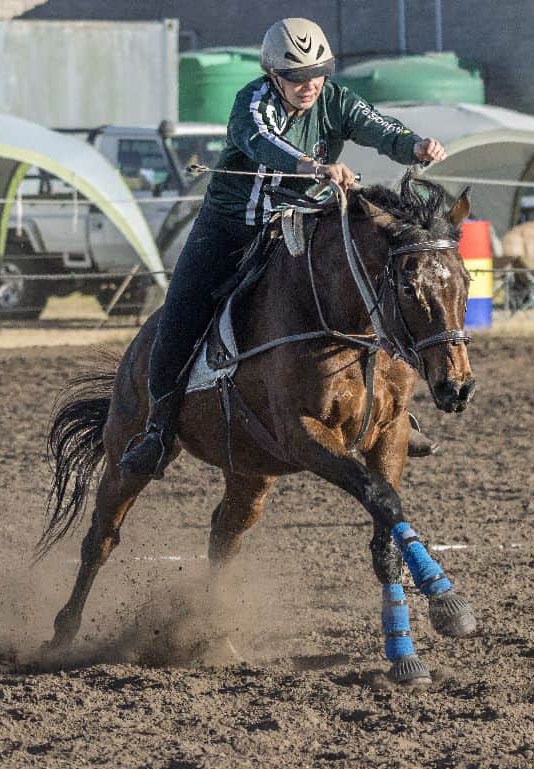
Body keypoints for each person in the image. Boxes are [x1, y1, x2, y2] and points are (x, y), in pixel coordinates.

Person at [119, 17, 449, 478]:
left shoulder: (334, 99)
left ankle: (393, 413)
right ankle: (157, 429)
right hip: (231, 232)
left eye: (318, 72)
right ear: (274, 74)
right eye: (296, 77)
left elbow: (376, 127)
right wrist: (314, 167)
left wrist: (413, 146)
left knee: (375, 284)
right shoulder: (251, 103)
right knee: (180, 315)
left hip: (304, 226)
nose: (309, 84)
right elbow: (263, 142)